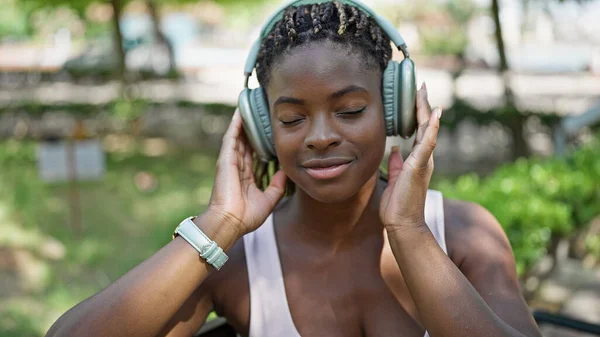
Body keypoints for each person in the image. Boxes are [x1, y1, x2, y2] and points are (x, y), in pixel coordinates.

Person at [46, 1, 542, 337]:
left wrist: (408, 231)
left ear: (395, 109)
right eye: (291, 118)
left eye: (349, 111)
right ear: (261, 128)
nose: (320, 135)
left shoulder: (462, 235)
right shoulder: (236, 259)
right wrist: (219, 224)